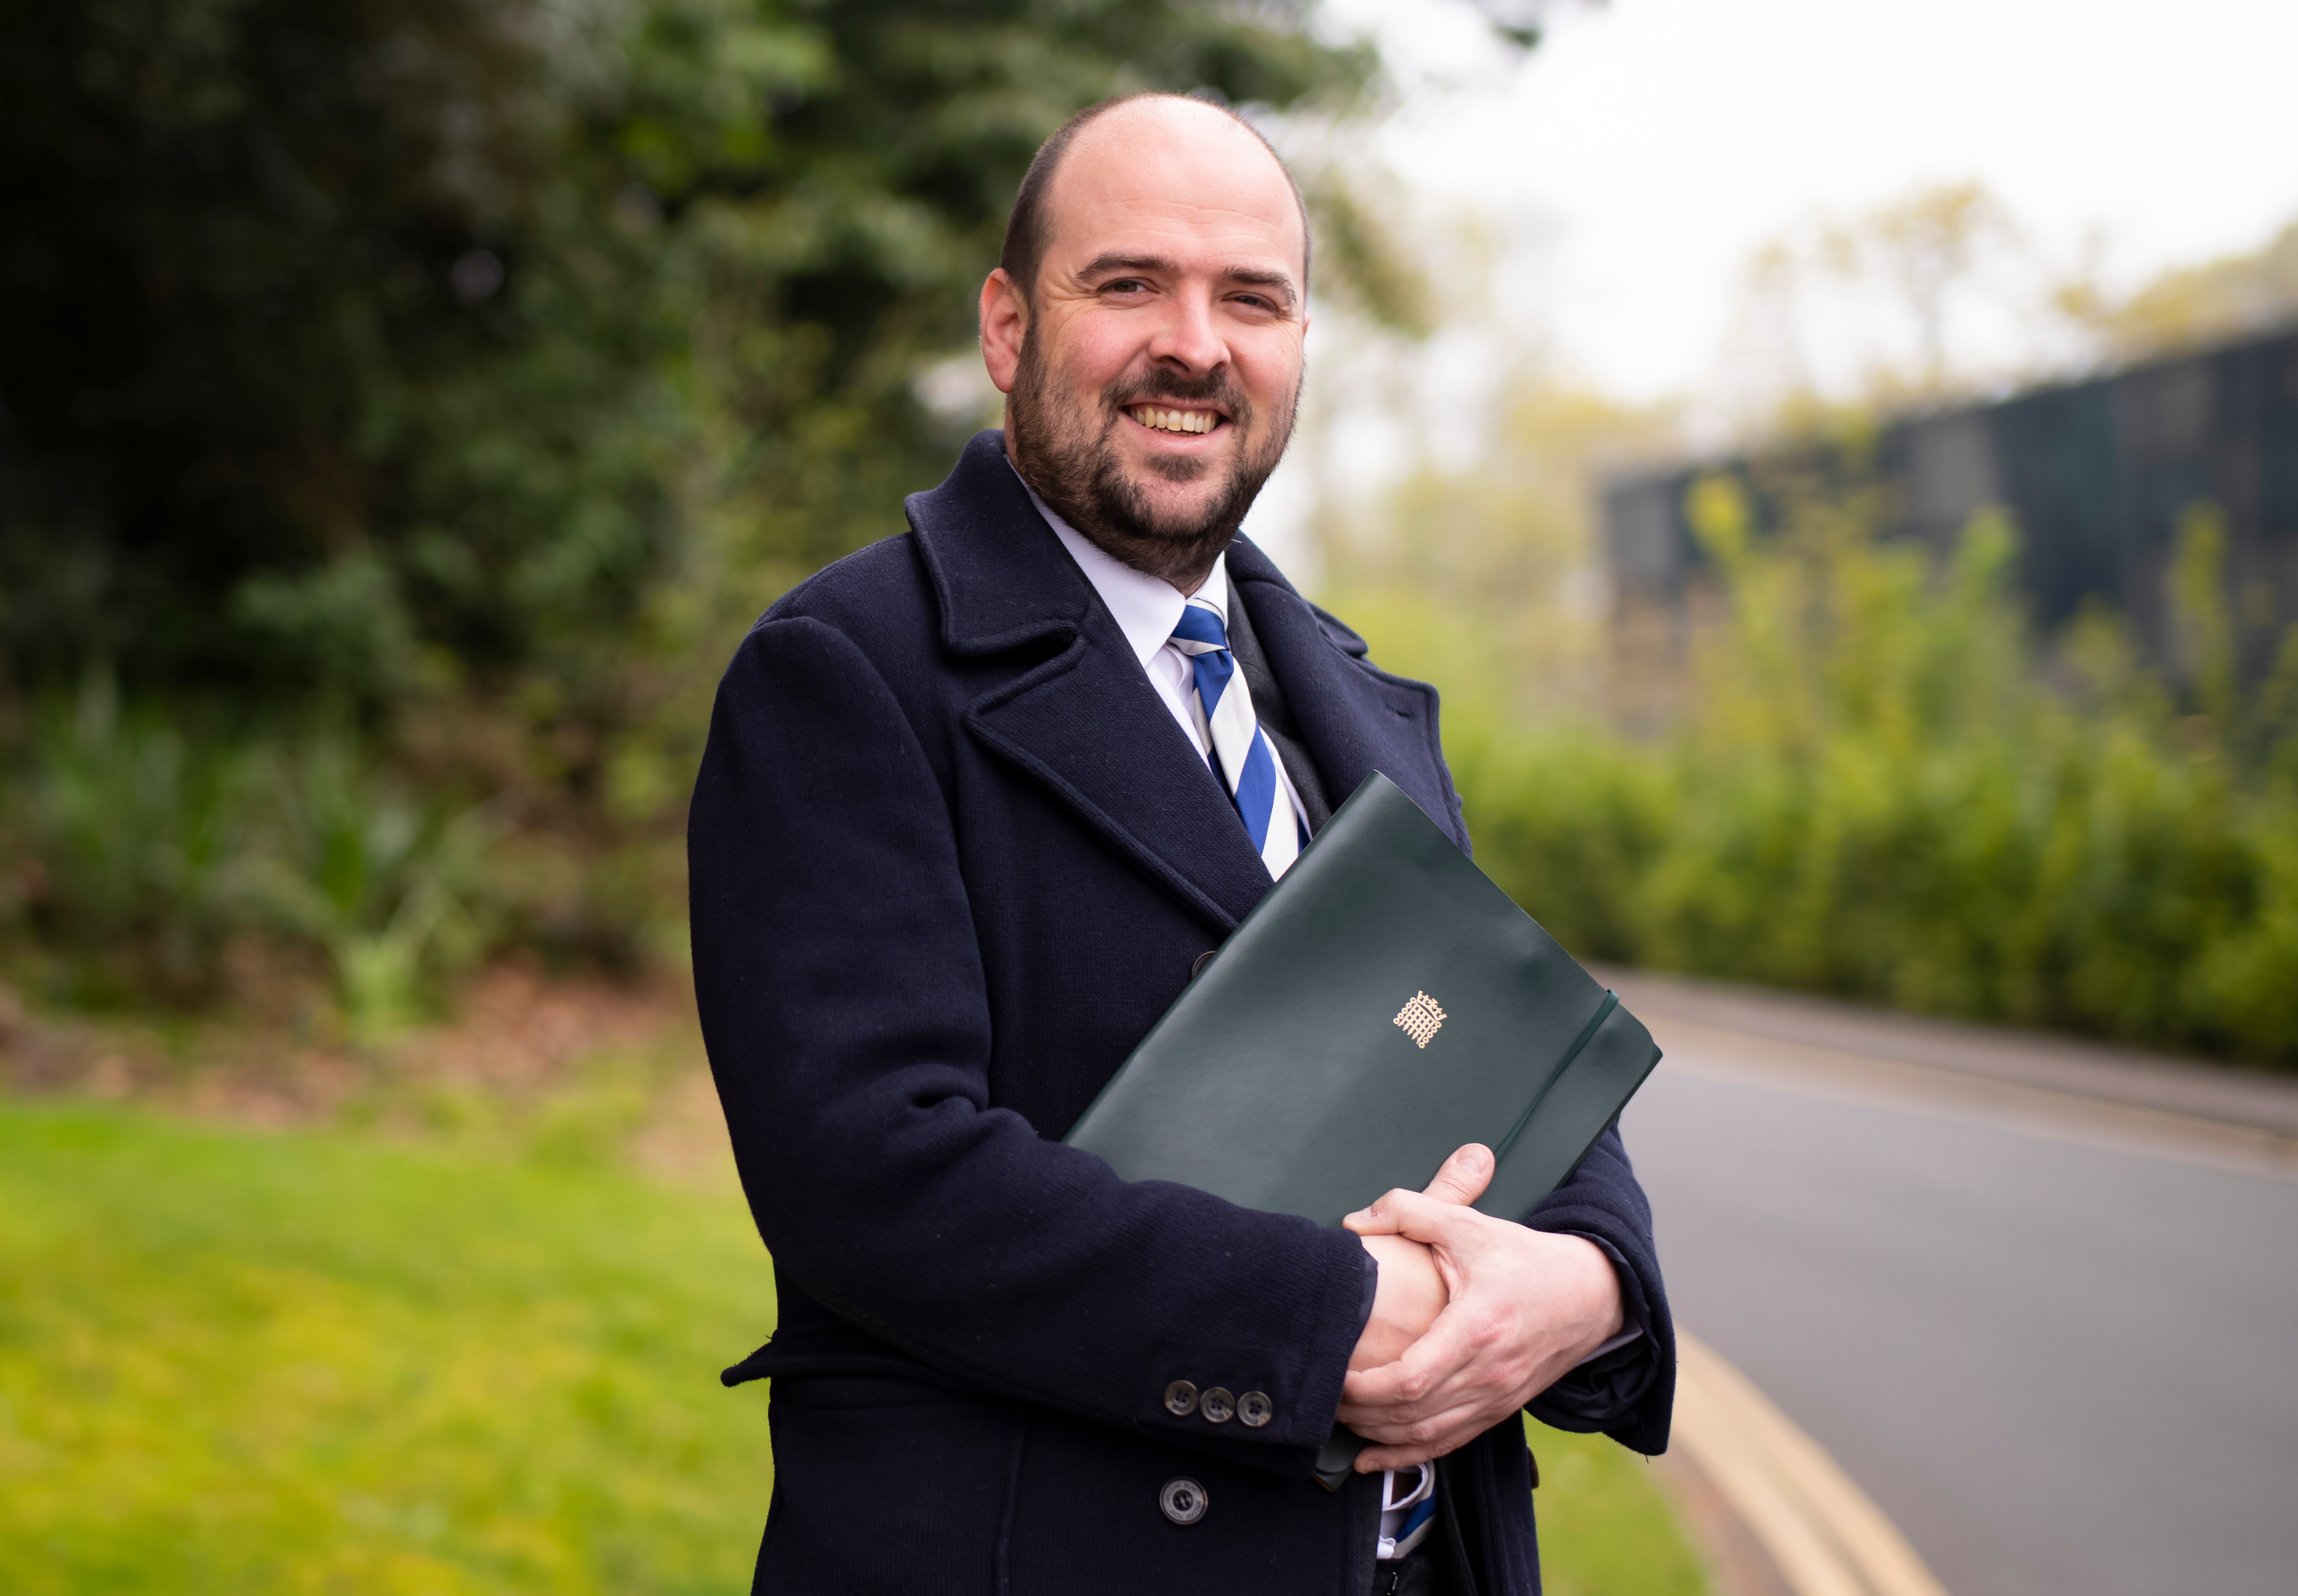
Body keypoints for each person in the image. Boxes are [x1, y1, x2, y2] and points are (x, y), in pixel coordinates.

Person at [688, 92, 1672, 1596]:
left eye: (1251, 300)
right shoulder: (845, 666)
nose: (1194, 345)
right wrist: (1328, 1311)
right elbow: (869, 1173)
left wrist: (1593, 1279)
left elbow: (1515, 1049)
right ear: (1009, 329)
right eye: (1130, 283)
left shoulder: (1354, 698)